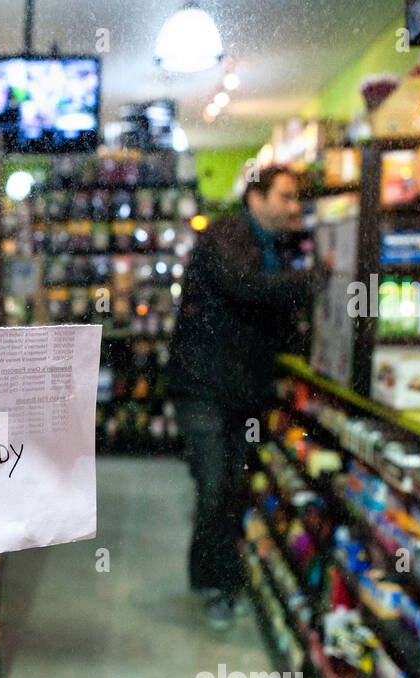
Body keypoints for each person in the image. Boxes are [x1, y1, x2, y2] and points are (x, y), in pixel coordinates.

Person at [167, 165, 325, 630]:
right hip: (202, 387)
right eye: (285, 197)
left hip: (243, 390)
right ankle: (216, 585)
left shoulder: (278, 246)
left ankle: (214, 575)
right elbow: (247, 286)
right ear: (255, 198)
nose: (294, 207)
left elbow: (268, 316)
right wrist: (316, 280)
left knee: (231, 487)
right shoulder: (228, 235)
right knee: (215, 484)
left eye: (297, 199)